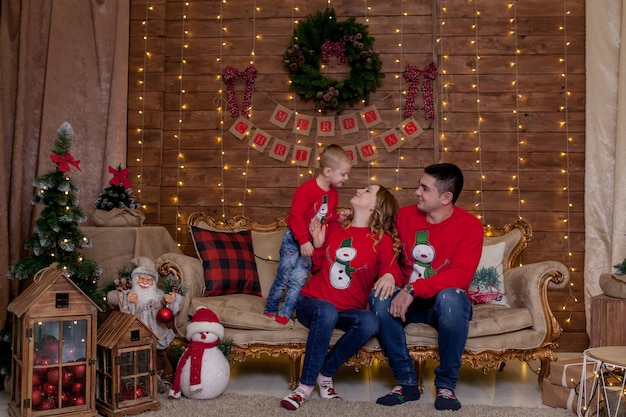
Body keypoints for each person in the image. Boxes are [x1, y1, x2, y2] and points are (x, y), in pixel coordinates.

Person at [369, 163, 484, 411]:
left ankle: (445, 386)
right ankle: (407, 382)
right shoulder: (405, 217)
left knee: (452, 297)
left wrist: (412, 289)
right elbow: (383, 248)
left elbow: (461, 277)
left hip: (443, 305)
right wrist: (389, 274)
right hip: (407, 305)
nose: (416, 192)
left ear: (446, 197)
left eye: (424, 188)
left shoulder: (470, 226)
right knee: (378, 296)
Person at [280, 184, 404, 410]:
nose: (360, 189)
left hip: (347, 311)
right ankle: (304, 387)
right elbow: (317, 269)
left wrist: (389, 275)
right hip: (312, 303)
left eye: (367, 191)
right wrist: (318, 245)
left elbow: (394, 270)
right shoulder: (335, 225)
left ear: (376, 206)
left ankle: (325, 373)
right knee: (326, 311)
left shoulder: (383, 241)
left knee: (370, 321)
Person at [264, 144, 352, 325]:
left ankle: (286, 314)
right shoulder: (306, 190)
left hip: (311, 242)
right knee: (285, 274)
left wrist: (337, 217)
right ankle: (271, 309)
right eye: (343, 174)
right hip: (295, 239)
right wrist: (303, 241)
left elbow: (324, 218)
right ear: (328, 171)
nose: (346, 178)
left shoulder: (334, 195)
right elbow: (295, 216)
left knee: (299, 279)